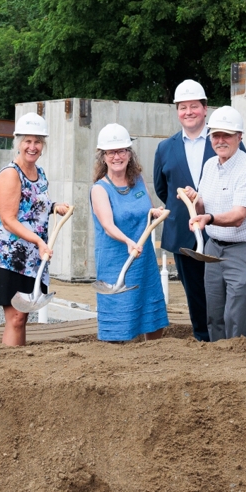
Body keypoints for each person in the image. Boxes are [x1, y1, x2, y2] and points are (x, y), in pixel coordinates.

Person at [183, 107, 246, 341]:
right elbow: (205, 206)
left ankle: (243, 362)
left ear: (239, 137)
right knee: (214, 310)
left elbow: (238, 216)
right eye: (216, 135)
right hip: (214, 247)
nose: (220, 140)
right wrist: (197, 201)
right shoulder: (211, 165)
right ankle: (219, 360)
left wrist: (209, 218)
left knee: (238, 311)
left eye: (227, 135)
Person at [0, 113, 71, 346]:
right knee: (15, 317)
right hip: (9, 256)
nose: (32, 147)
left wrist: (55, 207)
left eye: (38, 142)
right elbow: (8, 220)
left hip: (33, 257)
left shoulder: (39, 174)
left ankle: (19, 366)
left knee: (22, 317)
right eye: (27, 141)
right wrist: (39, 242)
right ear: (18, 143)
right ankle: (9, 369)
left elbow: (33, 208)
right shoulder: (11, 175)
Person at [90, 123, 169, 342]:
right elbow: (107, 225)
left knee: (152, 319)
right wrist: (127, 241)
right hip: (116, 262)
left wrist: (154, 212)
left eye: (122, 151)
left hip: (143, 260)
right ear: (103, 156)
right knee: (121, 324)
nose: (117, 156)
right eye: (111, 152)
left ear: (129, 154)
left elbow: (146, 209)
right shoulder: (99, 189)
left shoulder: (138, 181)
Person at [152, 79, 215, 341]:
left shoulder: (222, 138)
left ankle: (234, 336)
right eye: (182, 107)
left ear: (205, 108)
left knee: (223, 289)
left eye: (194, 106)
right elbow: (162, 188)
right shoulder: (166, 148)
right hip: (183, 231)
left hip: (219, 229)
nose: (188, 112)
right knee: (195, 293)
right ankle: (203, 337)